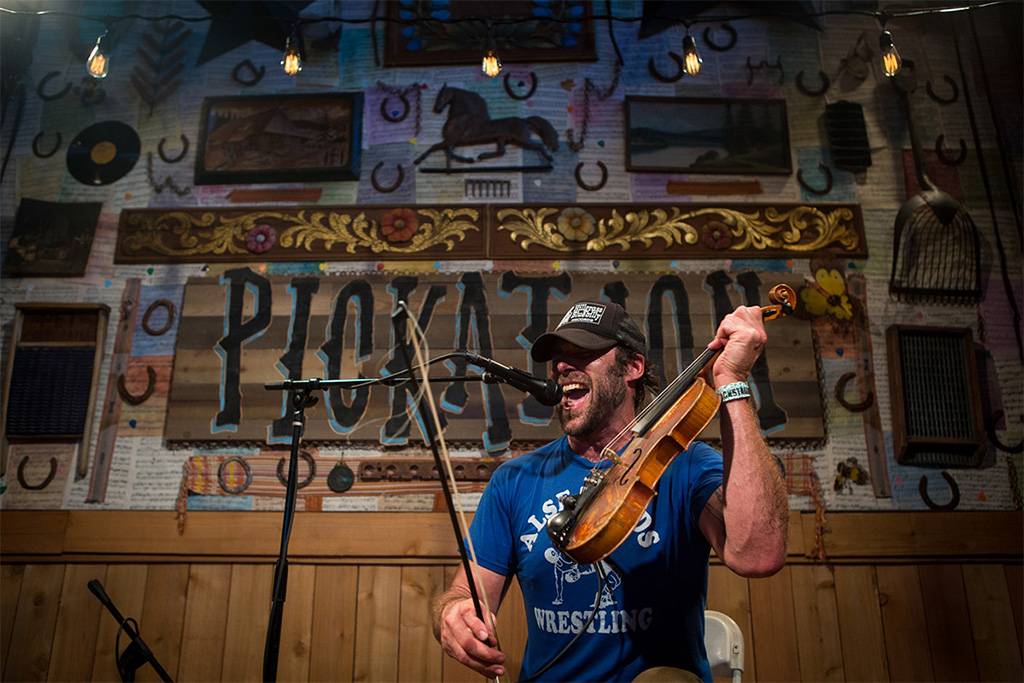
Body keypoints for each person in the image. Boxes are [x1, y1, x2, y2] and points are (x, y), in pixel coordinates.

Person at [431, 299, 789, 682]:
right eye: (558, 358)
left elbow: (759, 555)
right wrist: (451, 614)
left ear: (633, 367)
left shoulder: (686, 464)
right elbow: (462, 595)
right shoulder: (515, 480)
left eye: (582, 353)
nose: (562, 366)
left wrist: (733, 381)